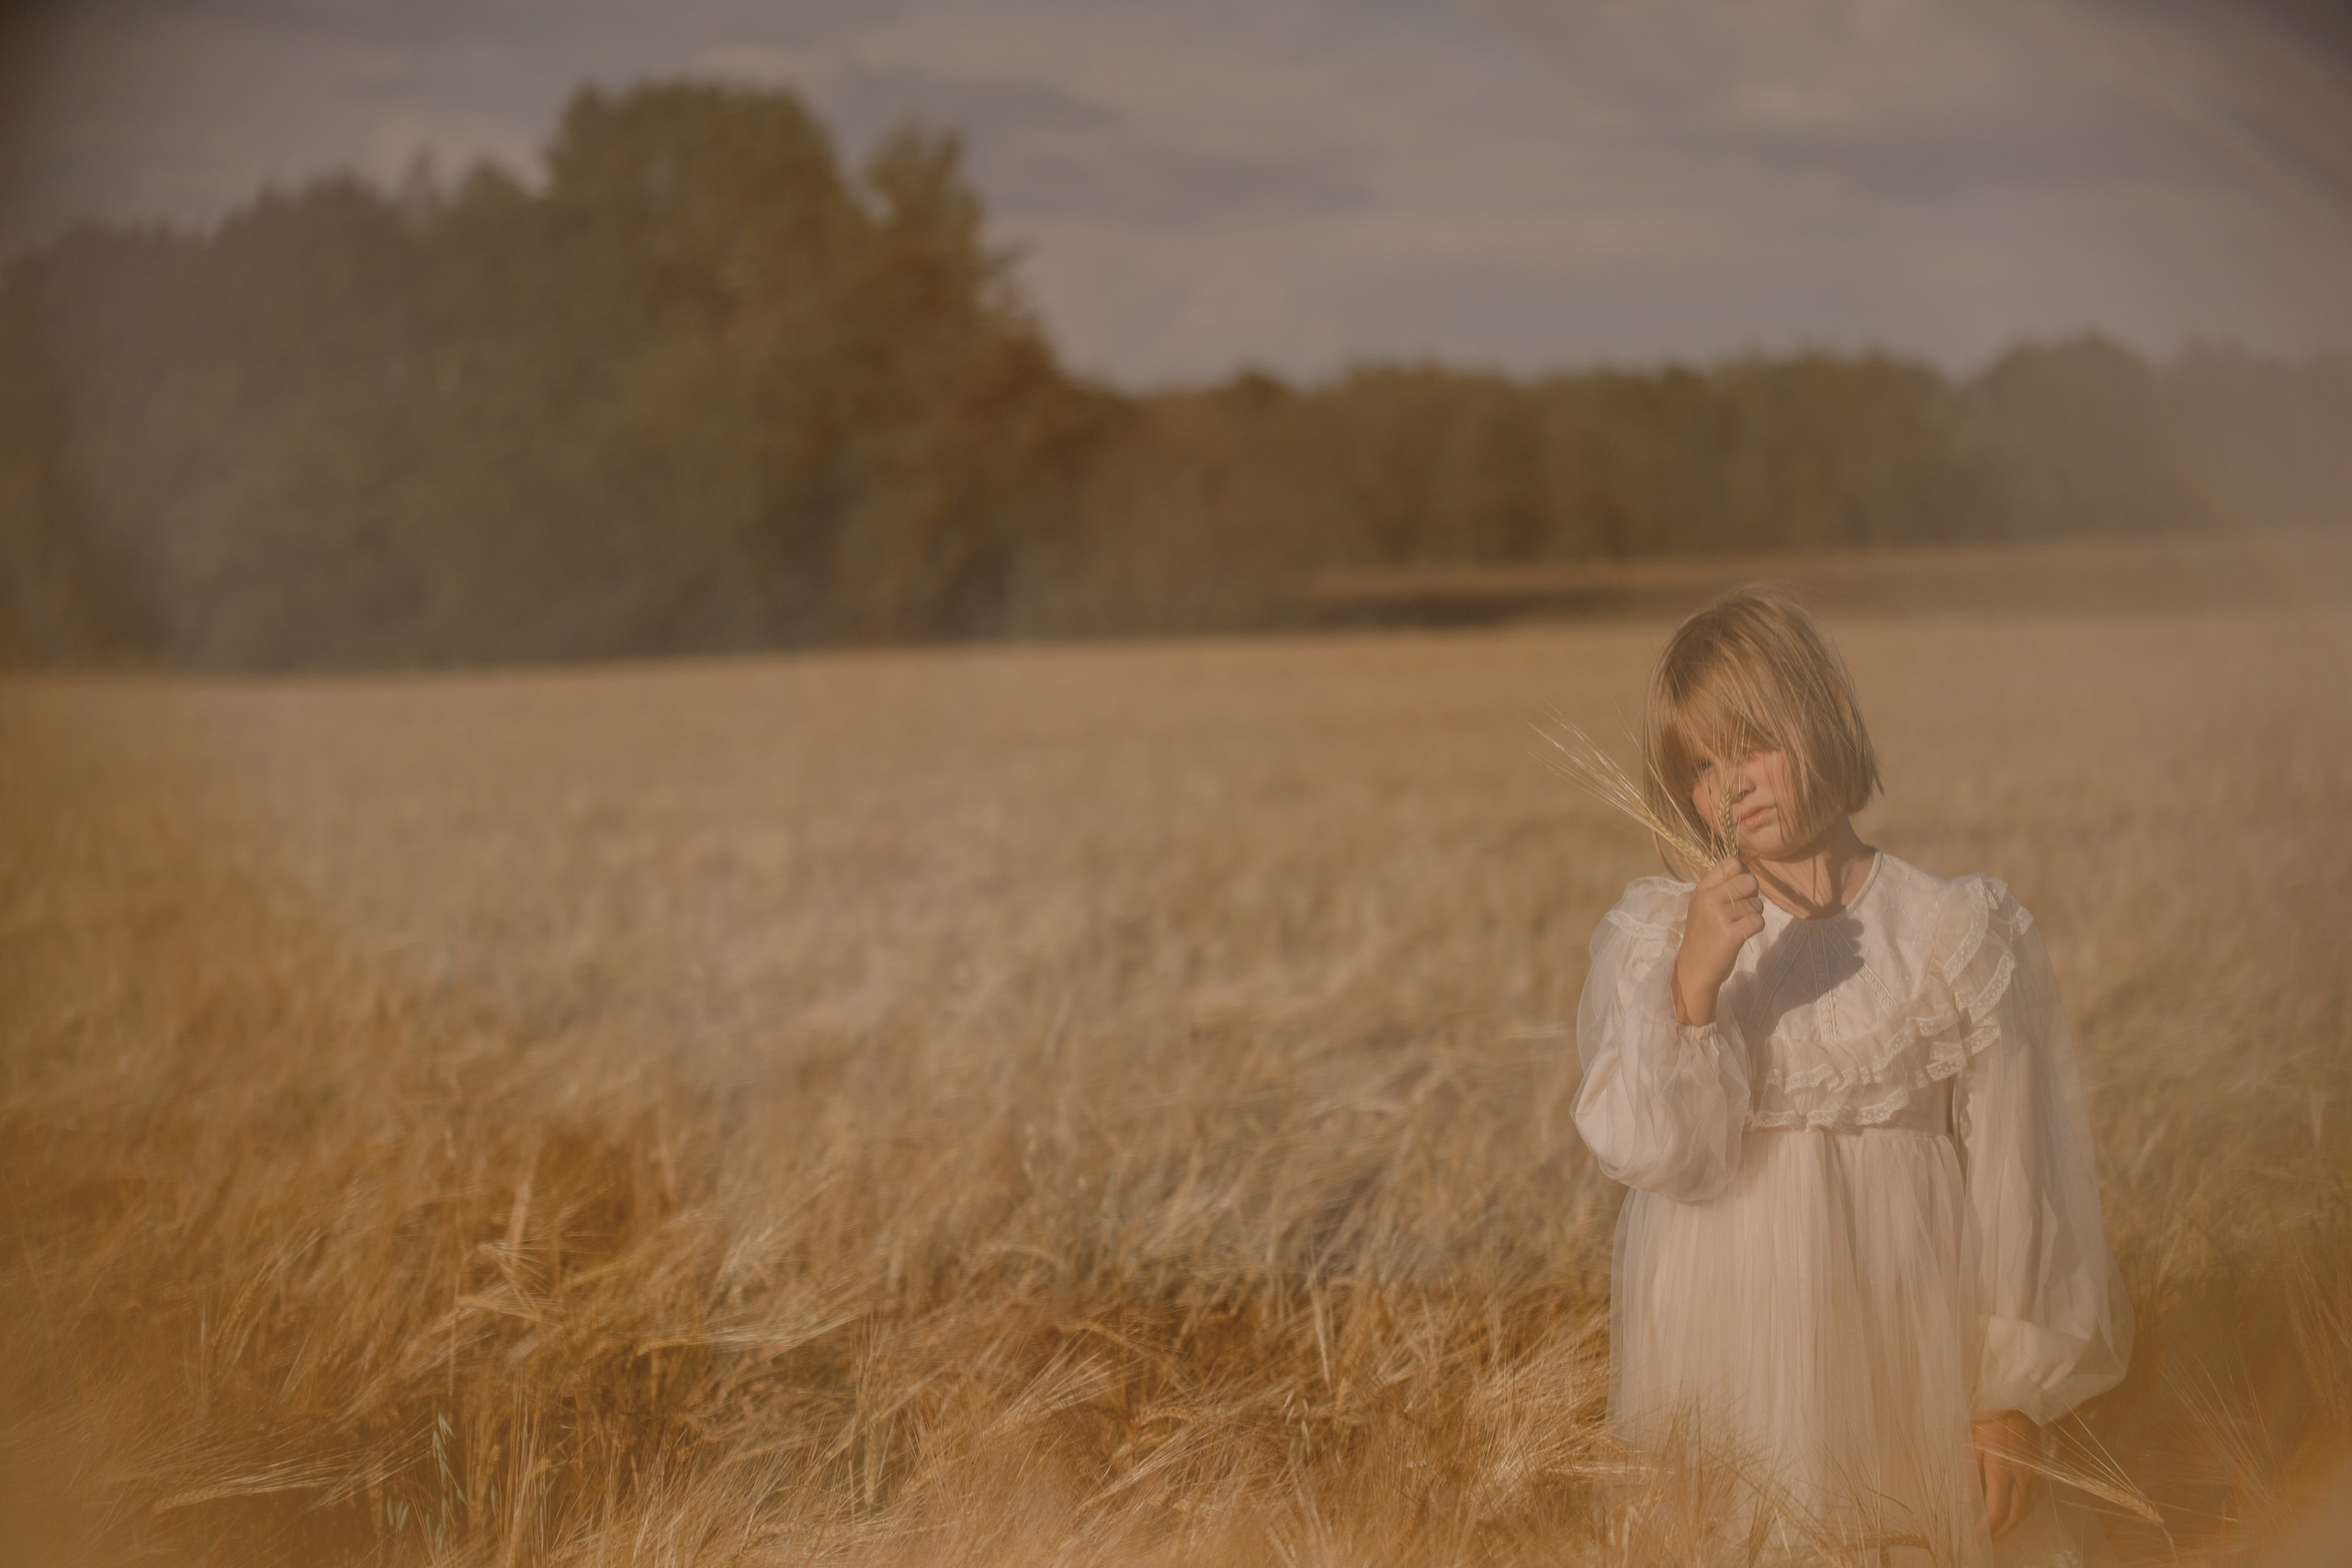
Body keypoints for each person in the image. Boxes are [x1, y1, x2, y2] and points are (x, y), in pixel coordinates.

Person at [1571, 587, 2132, 1565]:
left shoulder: (1954, 933)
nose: (1729, 787)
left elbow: (2015, 1178)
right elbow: (1658, 1156)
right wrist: (1695, 983)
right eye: (1699, 767)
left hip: (1908, 1344)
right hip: (1731, 1352)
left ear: (1819, 716)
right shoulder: (1663, 936)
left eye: (1750, 745)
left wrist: (2007, 1394)